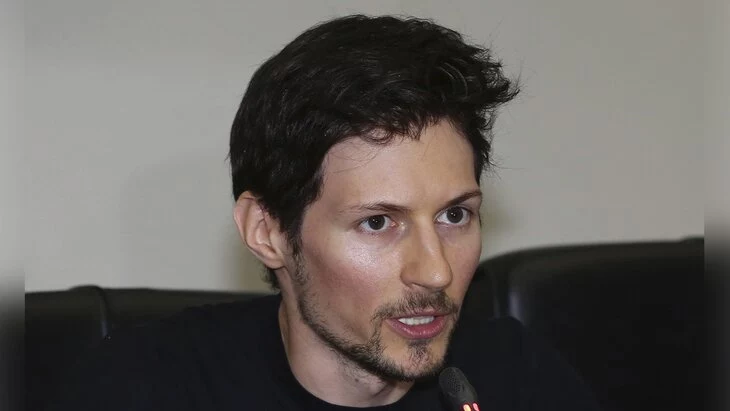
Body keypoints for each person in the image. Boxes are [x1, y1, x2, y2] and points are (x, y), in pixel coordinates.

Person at [49, 15, 599, 410]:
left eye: (454, 216)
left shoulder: (513, 375)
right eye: (378, 223)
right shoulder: (145, 386)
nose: (436, 271)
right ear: (267, 231)